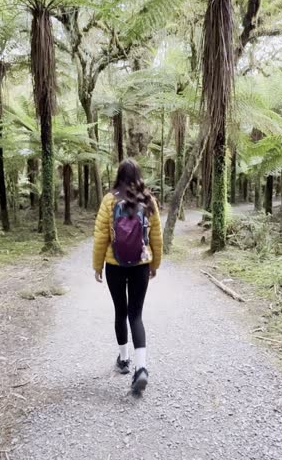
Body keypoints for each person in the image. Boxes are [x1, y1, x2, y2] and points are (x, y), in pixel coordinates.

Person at [92, 159, 162, 394]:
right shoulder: (148, 199)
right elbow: (157, 237)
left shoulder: (110, 199)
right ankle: (141, 368)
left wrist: (97, 265)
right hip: (141, 264)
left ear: (119, 176)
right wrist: (155, 264)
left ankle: (124, 361)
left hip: (115, 265)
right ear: (139, 176)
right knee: (136, 315)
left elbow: (101, 235)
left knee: (120, 312)